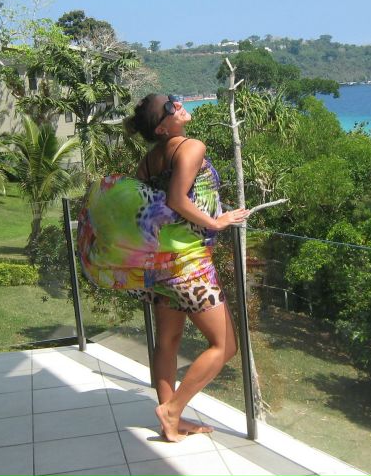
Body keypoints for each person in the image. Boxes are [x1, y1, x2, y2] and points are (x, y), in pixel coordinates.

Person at [77, 93, 250, 442]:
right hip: (188, 263)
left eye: (176, 99)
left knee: (168, 341)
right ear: (162, 126)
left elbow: (151, 205)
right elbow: (176, 199)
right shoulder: (191, 147)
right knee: (225, 345)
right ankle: (172, 410)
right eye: (172, 105)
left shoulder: (149, 160)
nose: (179, 104)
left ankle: (171, 421)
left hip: (158, 264)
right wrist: (217, 222)